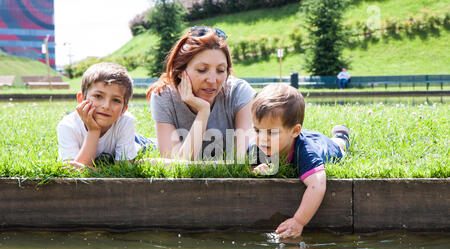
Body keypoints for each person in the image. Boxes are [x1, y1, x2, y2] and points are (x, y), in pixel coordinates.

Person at [250, 83, 350, 238]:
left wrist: (299, 220)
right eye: (257, 130)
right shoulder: (258, 145)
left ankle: (341, 136)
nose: (262, 138)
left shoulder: (306, 153)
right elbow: (253, 161)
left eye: (271, 133)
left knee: (338, 147)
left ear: (294, 131)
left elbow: (317, 185)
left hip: (324, 145)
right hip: (301, 136)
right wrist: (257, 167)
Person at [147, 26, 255, 161]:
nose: (212, 80)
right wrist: (203, 112)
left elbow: (240, 159)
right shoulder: (163, 96)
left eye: (221, 70)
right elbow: (176, 165)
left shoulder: (239, 92)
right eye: (202, 70)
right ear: (180, 71)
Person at [57, 62, 153, 169]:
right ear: (81, 100)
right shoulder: (68, 126)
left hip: (138, 142)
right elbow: (75, 170)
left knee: (156, 148)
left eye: (116, 100)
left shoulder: (125, 121)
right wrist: (93, 130)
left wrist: (93, 170)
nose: (106, 106)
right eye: (98, 96)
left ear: (123, 109)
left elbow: (124, 169)